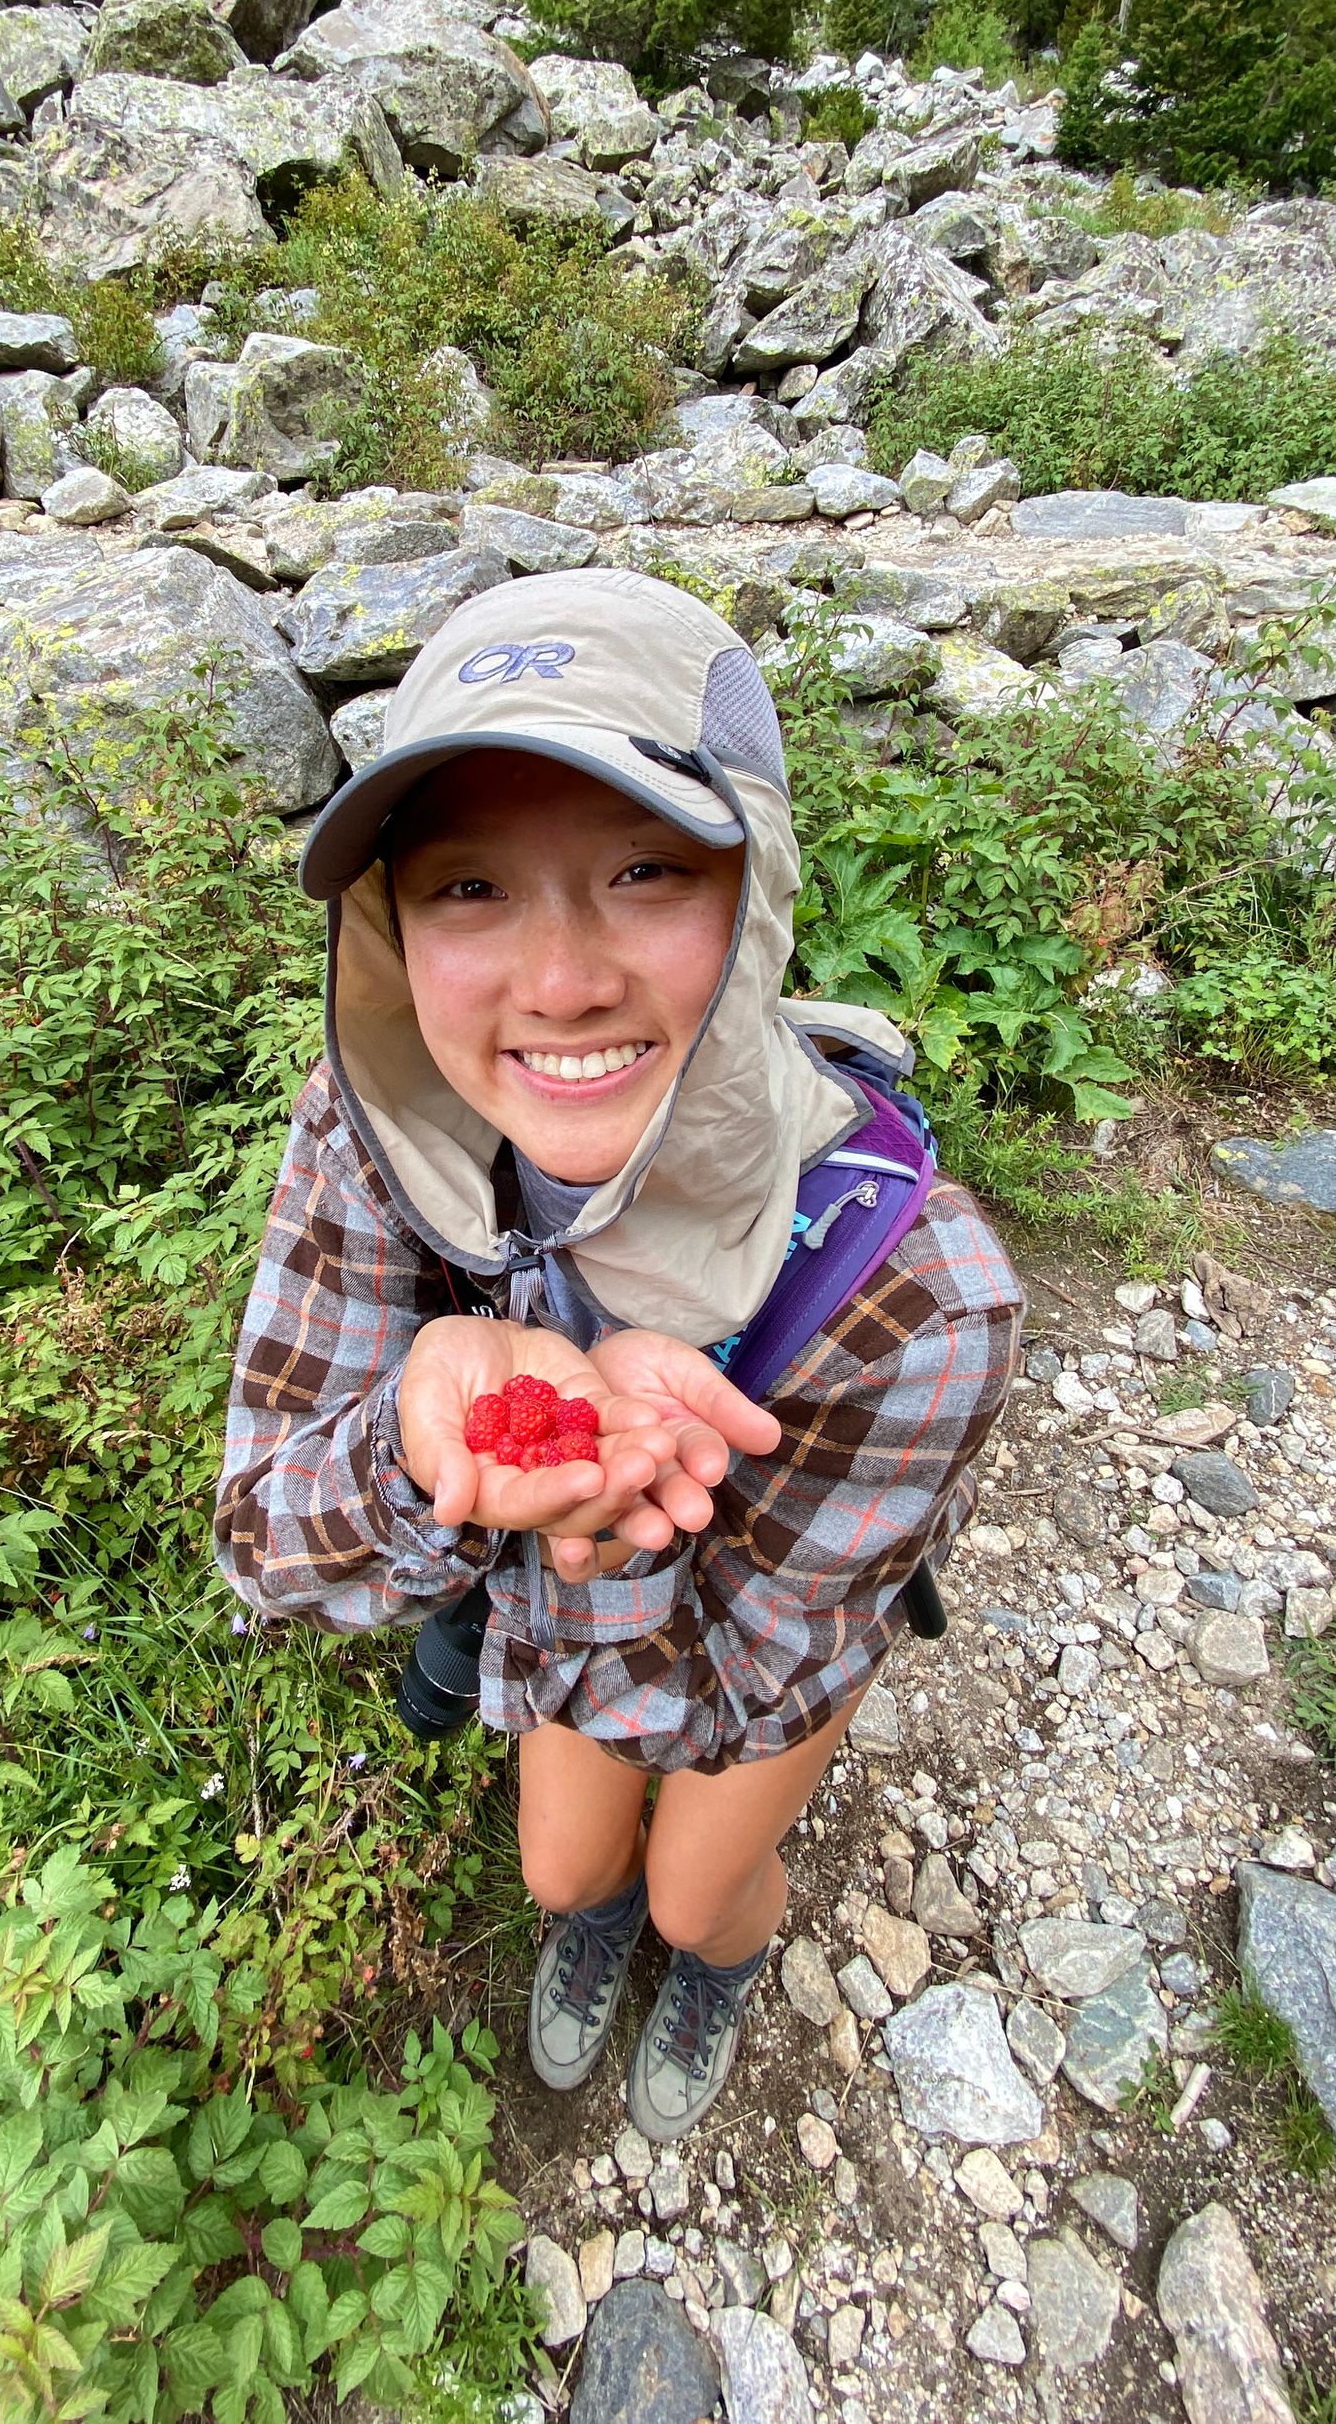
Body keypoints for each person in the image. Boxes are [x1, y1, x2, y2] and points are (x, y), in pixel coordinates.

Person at [215, 567, 1022, 2143]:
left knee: (694, 1876)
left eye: (648, 869)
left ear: (758, 890)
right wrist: (420, 1435)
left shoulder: (925, 1298)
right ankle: (604, 1927)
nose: (564, 979)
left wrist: (572, 1513)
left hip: (766, 1641)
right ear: (387, 931)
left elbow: (736, 1682)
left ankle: (720, 1954)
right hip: (612, 1622)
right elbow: (262, 1539)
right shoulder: (378, 1132)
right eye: (468, 890)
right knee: (564, 1871)